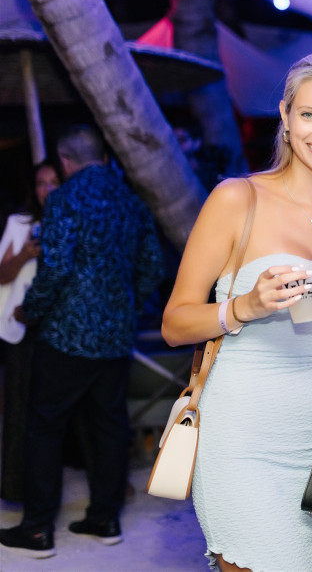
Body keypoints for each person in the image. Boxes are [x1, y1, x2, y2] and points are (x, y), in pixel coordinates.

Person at [161, 53, 312, 571]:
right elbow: (174, 323)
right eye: (309, 114)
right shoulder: (238, 199)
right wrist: (244, 306)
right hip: (242, 433)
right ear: (284, 116)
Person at [0, 126, 163, 560]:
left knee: (44, 427)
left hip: (67, 336)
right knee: (110, 426)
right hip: (115, 337)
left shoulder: (65, 199)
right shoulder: (131, 200)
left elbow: (54, 269)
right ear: (102, 156)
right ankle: (104, 519)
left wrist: (29, 309)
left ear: (66, 160)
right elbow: (152, 264)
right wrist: (127, 305)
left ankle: (36, 531)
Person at [0, 160, 60, 502]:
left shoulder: (69, 222)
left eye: (53, 181)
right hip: (21, 327)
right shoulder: (19, 223)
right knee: (19, 408)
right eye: (40, 183)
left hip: (57, 328)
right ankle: (15, 487)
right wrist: (25, 252)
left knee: (54, 410)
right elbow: (2, 275)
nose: (47, 189)